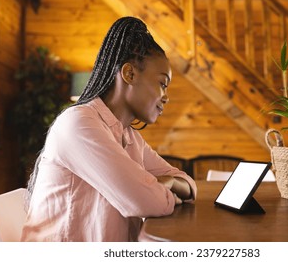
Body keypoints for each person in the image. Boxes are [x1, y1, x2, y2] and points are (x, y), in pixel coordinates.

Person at [21, 16, 197, 242]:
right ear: (129, 74)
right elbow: (144, 201)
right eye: (162, 83)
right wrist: (163, 187)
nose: (166, 97)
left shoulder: (129, 136)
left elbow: (185, 180)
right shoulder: (78, 124)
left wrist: (169, 183)